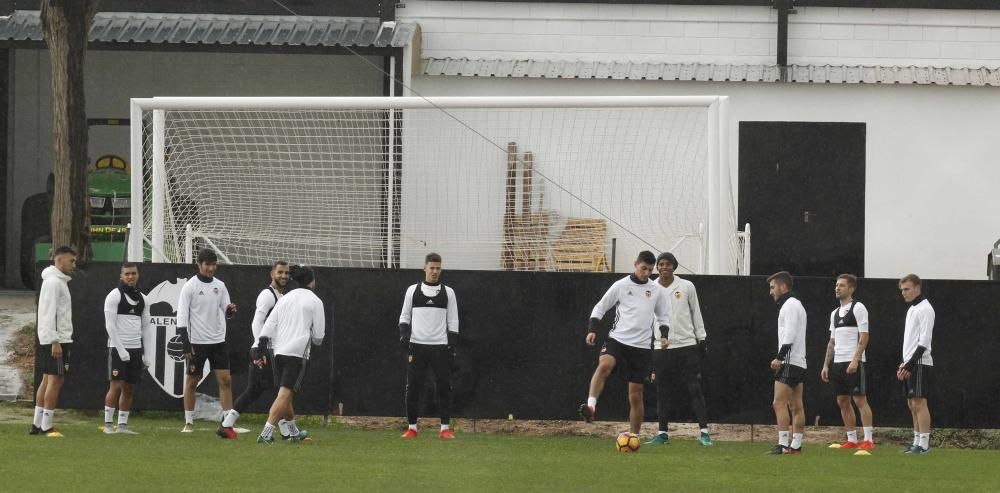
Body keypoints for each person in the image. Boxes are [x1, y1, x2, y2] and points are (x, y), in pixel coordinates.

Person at [580, 251, 670, 437]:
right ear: (635, 264)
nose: (646, 273)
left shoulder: (656, 290)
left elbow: (663, 315)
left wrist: (664, 335)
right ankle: (590, 406)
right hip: (618, 339)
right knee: (604, 365)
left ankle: (633, 436)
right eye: (643, 268)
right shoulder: (621, 285)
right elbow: (600, 307)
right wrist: (592, 329)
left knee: (636, 395)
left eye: (650, 270)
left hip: (642, 347)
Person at [220, 261, 302, 440]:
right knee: (280, 392)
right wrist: (259, 350)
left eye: (287, 273)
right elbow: (256, 322)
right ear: (271, 274)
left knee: (259, 391)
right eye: (280, 272)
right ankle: (288, 432)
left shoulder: (282, 296)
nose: (283, 276)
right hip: (265, 351)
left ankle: (226, 425)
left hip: (271, 351)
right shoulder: (267, 295)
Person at [646, 252, 712, 446]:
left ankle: (704, 433)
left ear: (674, 266)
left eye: (668, 264)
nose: (664, 267)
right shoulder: (651, 288)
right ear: (657, 267)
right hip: (661, 347)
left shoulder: (686, 286)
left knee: (694, 388)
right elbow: (648, 318)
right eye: (661, 264)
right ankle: (663, 433)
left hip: (686, 344)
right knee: (662, 391)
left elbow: (695, 312)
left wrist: (702, 338)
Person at [255, 265, 325, 445]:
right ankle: (266, 433)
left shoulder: (285, 299)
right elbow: (318, 337)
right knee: (285, 394)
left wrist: (260, 346)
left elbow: (269, 325)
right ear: (312, 280)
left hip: (278, 352)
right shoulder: (315, 301)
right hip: (298, 354)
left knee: (285, 394)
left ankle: (293, 432)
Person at [399, 252, 460, 439]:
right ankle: (412, 428)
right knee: (413, 387)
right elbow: (404, 316)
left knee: (443, 387)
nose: (435, 271)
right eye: (432, 268)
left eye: (438, 268)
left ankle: (444, 429)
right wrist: (404, 335)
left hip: (440, 347)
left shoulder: (448, 292)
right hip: (417, 346)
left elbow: (454, 321)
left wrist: (452, 345)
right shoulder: (412, 291)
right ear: (424, 268)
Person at [176, 249, 237, 433]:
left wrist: (230, 311)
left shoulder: (221, 285)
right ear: (199, 264)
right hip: (197, 342)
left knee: (225, 380)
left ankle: (227, 423)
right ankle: (188, 422)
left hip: (218, 341)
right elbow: (181, 315)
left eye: (213, 264)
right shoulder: (190, 286)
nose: (211, 268)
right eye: (207, 264)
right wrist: (185, 342)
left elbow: (226, 309)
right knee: (192, 382)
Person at [820, 274, 875, 450]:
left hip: (854, 362)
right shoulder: (833, 313)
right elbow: (832, 341)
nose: (837, 288)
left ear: (851, 289)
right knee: (842, 401)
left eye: (842, 285)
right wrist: (826, 364)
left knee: (860, 400)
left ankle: (868, 440)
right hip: (838, 363)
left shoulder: (859, 308)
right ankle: (851, 439)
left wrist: (855, 360)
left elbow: (864, 336)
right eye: (836, 285)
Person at [102, 263, 153, 434]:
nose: (130, 277)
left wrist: (147, 354)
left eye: (133, 273)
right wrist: (121, 349)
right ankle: (108, 424)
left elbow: (146, 327)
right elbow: (110, 326)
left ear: (138, 275)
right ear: (121, 276)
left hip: (136, 349)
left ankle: (122, 425)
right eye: (127, 274)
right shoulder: (114, 296)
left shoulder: (144, 299)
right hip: (117, 349)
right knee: (115, 386)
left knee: (129, 388)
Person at [31, 246, 77, 437]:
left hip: (54, 338)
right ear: (59, 261)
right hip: (55, 340)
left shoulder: (58, 281)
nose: (74, 265)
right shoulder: (53, 283)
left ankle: (37, 424)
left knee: (47, 379)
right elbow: (48, 313)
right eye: (71, 261)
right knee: (55, 381)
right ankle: (46, 426)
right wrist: (54, 341)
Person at [766, 271, 807, 455]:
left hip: (790, 361)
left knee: (778, 403)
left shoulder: (789, 305)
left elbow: (789, 334)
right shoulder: (796, 304)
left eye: (773, 287)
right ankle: (796, 445)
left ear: (783, 287)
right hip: (799, 361)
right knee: (796, 405)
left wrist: (780, 357)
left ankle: (783, 444)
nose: (771, 292)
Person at [897, 274, 934, 455]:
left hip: (920, 362)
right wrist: (904, 363)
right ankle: (916, 441)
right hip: (909, 362)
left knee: (919, 403)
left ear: (917, 288)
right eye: (902, 290)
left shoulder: (925, 309)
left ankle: (924, 445)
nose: (904, 293)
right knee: (912, 404)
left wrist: (911, 364)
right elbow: (910, 341)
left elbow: (925, 340)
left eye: (907, 289)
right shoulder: (912, 309)